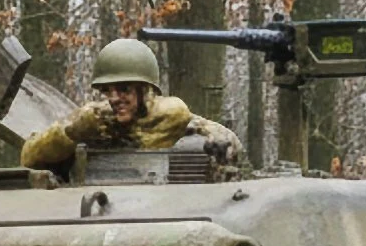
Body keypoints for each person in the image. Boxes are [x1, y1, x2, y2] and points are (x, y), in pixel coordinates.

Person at [20, 37, 244, 174]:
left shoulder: (180, 122)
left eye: (124, 89)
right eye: (107, 91)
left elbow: (232, 157)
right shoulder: (94, 122)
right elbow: (30, 157)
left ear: (144, 89)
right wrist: (69, 133)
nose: (114, 98)